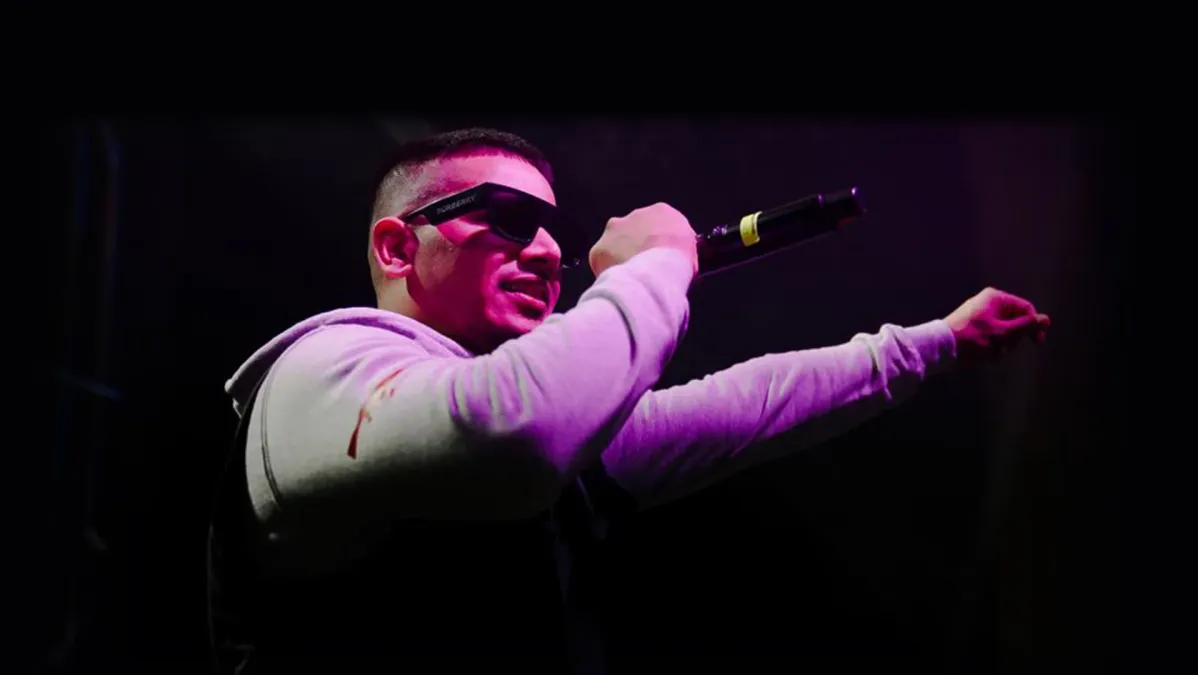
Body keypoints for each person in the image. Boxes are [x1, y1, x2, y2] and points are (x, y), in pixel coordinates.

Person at [207, 127, 1050, 674]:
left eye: (554, 230)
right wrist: (657, 267)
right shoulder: (320, 370)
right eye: (507, 218)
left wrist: (938, 342)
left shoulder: (540, 419)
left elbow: (745, 406)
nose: (547, 251)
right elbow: (518, 433)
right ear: (397, 247)